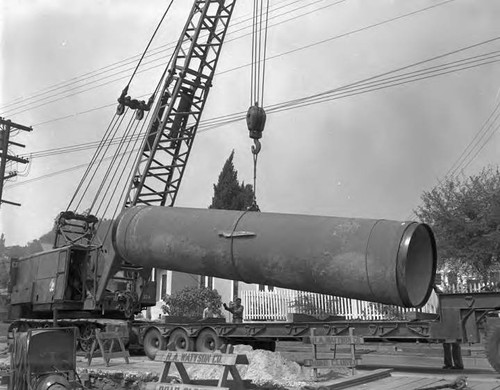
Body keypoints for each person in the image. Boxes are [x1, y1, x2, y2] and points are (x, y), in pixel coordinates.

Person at [433, 283, 464, 370]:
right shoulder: (447, 303)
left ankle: (454, 364)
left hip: (450, 326)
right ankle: (452, 364)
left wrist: (435, 287)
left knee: (452, 345)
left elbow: (440, 293)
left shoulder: (445, 302)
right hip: (449, 325)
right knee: (449, 345)